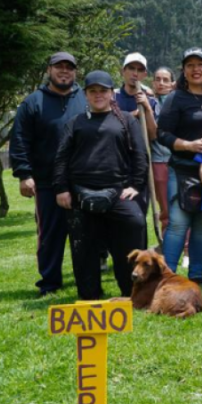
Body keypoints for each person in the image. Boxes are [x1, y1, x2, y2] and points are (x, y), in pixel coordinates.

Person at [53, 70, 148, 300]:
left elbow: (140, 156)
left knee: (135, 225)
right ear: (86, 94)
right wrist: (61, 189)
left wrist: (135, 185)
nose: (98, 95)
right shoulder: (74, 123)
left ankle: (132, 291)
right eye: (93, 91)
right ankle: (89, 294)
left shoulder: (126, 120)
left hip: (118, 192)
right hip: (81, 194)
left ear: (111, 93)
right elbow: (61, 158)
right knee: (82, 247)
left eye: (103, 91)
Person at [10, 52, 87, 296]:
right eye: (59, 67)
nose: (64, 71)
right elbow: (20, 139)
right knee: (50, 236)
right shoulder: (33, 102)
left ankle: (86, 280)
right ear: (49, 70)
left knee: (85, 234)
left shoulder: (86, 98)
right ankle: (50, 283)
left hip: (82, 180)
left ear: (75, 71)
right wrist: (24, 174)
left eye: (69, 67)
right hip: (46, 182)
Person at [156, 47, 202, 282]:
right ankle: (167, 276)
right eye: (190, 65)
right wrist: (188, 145)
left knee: (201, 226)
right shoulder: (176, 98)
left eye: (200, 64)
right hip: (182, 170)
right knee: (178, 224)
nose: (196, 69)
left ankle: (197, 277)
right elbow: (162, 134)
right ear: (183, 70)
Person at [114, 53, 158, 218]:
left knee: (138, 213)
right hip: (115, 162)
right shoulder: (112, 96)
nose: (135, 73)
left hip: (139, 165)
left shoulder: (151, 101)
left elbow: (153, 135)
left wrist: (147, 109)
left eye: (140, 70)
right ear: (122, 71)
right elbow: (109, 125)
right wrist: (133, 114)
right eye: (131, 68)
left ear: (145, 75)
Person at [151, 66, 176, 230]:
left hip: (177, 160)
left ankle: (188, 248)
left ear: (173, 83)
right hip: (158, 160)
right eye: (158, 79)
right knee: (165, 207)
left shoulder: (178, 101)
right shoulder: (148, 101)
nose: (161, 83)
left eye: (165, 80)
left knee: (184, 204)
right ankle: (166, 241)